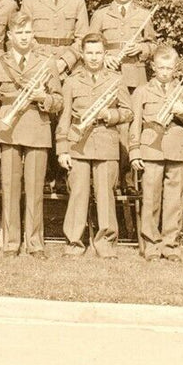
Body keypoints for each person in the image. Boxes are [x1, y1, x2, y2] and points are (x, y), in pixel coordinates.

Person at [0, 13, 63, 258]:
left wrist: (43, 98)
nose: (24, 37)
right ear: (10, 36)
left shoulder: (47, 62)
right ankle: (11, 242)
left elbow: (58, 101)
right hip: (7, 130)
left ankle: (35, 243)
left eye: (28, 32)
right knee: (9, 187)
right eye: (19, 33)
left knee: (35, 189)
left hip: (37, 127)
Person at [56, 34, 133, 258]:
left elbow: (128, 112)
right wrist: (62, 149)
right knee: (78, 193)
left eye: (98, 53)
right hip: (78, 143)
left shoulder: (116, 79)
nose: (94, 57)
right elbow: (64, 118)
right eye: (89, 53)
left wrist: (110, 114)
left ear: (105, 54)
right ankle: (74, 243)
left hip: (106, 141)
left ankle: (106, 243)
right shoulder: (71, 81)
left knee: (106, 195)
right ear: (82, 54)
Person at [130, 45, 183, 262]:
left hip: (176, 151)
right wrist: (134, 151)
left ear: (175, 68)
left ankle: (170, 246)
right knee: (150, 199)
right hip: (150, 150)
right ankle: (151, 246)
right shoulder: (142, 91)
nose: (165, 72)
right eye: (161, 67)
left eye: (169, 68)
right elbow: (134, 123)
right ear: (153, 66)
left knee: (173, 201)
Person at [20, 0, 89, 77]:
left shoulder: (77, 2)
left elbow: (82, 38)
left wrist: (65, 61)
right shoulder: (30, 3)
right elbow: (25, 36)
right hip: (39, 64)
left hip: (70, 68)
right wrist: (46, 61)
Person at [88, 0, 156, 90]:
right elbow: (88, 45)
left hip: (136, 76)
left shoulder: (143, 15)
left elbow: (153, 46)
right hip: (108, 74)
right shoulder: (100, 14)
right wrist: (104, 57)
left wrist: (141, 47)